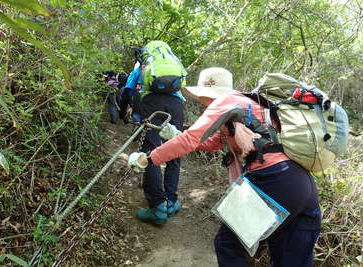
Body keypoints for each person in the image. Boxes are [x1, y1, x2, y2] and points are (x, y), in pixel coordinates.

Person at [128, 67, 321, 266]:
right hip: (301, 183)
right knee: (291, 260)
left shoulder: (225, 102)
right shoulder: (249, 105)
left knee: (229, 246)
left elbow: (192, 139)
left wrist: (148, 158)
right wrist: (176, 134)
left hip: (272, 179)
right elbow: (213, 142)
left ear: (206, 92)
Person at [132, 45, 186, 225]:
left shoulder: (147, 62)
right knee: (175, 147)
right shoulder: (173, 61)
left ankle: (157, 207)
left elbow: (137, 86)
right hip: (177, 104)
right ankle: (171, 201)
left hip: (152, 101)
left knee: (150, 149)